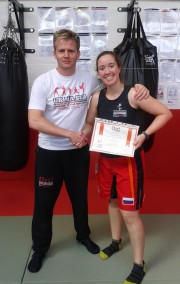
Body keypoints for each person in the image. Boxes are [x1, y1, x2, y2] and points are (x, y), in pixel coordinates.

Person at [27, 29, 149, 273]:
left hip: (77, 153)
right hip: (49, 152)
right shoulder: (44, 82)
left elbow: (114, 85)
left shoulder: (89, 80)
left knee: (79, 199)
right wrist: (69, 134)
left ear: (78, 53)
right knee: (44, 203)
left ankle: (83, 235)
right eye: (62, 50)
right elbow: (34, 121)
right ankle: (40, 248)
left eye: (71, 51)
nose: (66, 55)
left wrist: (139, 86)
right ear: (54, 53)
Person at [79, 51, 172, 284]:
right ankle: (116, 240)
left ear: (119, 67)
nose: (107, 71)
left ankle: (139, 264)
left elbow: (165, 113)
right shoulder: (97, 98)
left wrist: (145, 135)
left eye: (111, 66)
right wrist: (81, 136)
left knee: (129, 214)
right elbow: (90, 123)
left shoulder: (134, 93)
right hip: (107, 161)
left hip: (128, 165)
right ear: (98, 72)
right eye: (102, 67)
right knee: (111, 203)